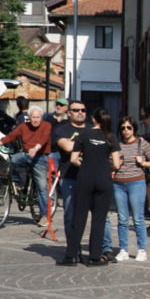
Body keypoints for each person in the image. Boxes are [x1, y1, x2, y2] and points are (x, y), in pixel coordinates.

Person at [60, 110, 120, 266]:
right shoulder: (111, 137)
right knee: (99, 219)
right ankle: (94, 257)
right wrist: (106, 168)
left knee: (79, 217)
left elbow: (74, 159)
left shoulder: (84, 134)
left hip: (85, 178)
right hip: (104, 179)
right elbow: (117, 164)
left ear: (93, 119)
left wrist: (85, 166)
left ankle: (71, 256)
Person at [0, 106, 51, 222]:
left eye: (38, 117)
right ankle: (12, 184)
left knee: (42, 186)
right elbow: (12, 136)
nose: (36, 120)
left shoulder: (46, 125)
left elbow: (44, 138)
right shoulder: (23, 126)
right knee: (9, 162)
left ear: (41, 117)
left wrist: (36, 148)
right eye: (33, 117)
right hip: (26, 154)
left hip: (40, 156)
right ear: (29, 117)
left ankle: (44, 215)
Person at [112, 116, 150, 262]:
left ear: (134, 129)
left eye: (129, 128)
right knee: (122, 219)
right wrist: (115, 163)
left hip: (136, 183)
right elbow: (110, 163)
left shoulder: (142, 144)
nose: (126, 130)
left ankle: (142, 249)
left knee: (138, 218)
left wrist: (143, 163)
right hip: (119, 184)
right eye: (123, 128)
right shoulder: (117, 145)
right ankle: (123, 249)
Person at [52, 101, 90, 244]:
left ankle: (105, 249)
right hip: (70, 177)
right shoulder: (62, 130)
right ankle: (73, 247)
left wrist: (76, 146)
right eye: (76, 110)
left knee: (101, 216)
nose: (80, 112)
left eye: (83, 110)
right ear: (69, 113)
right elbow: (67, 147)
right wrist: (89, 146)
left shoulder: (92, 129)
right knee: (71, 215)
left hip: (91, 177)